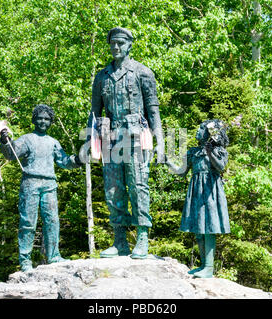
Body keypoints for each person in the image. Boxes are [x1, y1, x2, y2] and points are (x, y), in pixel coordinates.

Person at [87, 27, 165, 259]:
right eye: (113, 43)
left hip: (136, 138)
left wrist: (160, 142)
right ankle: (119, 241)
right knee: (113, 190)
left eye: (121, 43)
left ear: (130, 45)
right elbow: (94, 112)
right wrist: (92, 142)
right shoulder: (101, 77)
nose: (116, 47)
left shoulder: (142, 73)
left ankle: (142, 237)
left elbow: (153, 111)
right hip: (111, 139)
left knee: (138, 186)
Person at [0, 104, 83, 272]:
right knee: (28, 222)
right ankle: (25, 261)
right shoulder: (27, 138)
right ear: (34, 120)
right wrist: (4, 141)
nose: (43, 121)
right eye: (40, 118)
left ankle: (53, 256)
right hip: (30, 183)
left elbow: (64, 161)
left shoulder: (53, 142)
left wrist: (79, 159)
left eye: (46, 119)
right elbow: (11, 153)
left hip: (49, 184)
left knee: (52, 221)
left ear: (51, 121)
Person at [166, 119, 230, 278]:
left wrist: (210, 152)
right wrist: (166, 161)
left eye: (201, 129)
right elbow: (181, 171)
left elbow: (221, 167)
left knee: (209, 228)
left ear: (210, 133)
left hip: (210, 191)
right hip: (196, 191)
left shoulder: (218, 150)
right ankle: (203, 265)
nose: (197, 132)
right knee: (199, 229)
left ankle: (209, 267)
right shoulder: (193, 152)